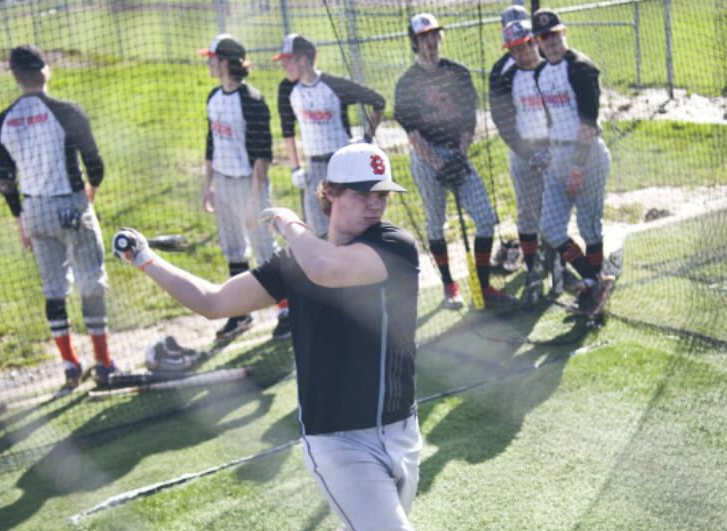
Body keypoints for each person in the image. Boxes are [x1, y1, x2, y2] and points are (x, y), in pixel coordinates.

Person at [109, 142, 537, 531]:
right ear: (328, 195)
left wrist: (287, 224)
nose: (373, 205)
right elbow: (211, 304)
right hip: (338, 445)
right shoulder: (293, 264)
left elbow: (331, 270)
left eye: (381, 196)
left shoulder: (391, 247)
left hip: (400, 430)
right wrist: (147, 260)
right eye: (361, 194)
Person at [0, 44, 117, 394]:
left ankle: (69, 365)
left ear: (15, 75)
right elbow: (95, 164)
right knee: (90, 281)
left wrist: (19, 218)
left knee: (53, 289)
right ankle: (104, 362)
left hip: (34, 211)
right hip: (70, 204)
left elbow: (4, 180)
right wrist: (90, 191)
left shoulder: (4, 120)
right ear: (45, 71)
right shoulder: (66, 111)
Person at [393, 11, 514, 310]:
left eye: (434, 35)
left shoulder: (458, 72)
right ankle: (450, 285)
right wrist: (439, 165)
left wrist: (459, 158)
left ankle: (483, 286)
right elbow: (413, 133)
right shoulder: (407, 83)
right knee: (436, 223)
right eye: (423, 38)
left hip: (456, 153)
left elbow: (467, 120)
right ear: (414, 43)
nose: (430, 42)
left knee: (485, 218)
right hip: (427, 158)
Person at [274, 32, 387, 340]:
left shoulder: (334, 85)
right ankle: (327, 303)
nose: (284, 67)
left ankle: (363, 297)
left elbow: (378, 101)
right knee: (315, 234)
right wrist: (295, 165)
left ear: (304, 59)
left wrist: (365, 139)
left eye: (288, 61)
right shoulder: (288, 90)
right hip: (313, 168)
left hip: (342, 168)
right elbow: (287, 129)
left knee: (349, 231)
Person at [531, 10, 614, 314]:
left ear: (563, 32)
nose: (550, 42)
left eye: (553, 34)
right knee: (551, 226)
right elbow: (555, 120)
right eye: (543, 38)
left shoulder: (581, 67)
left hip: (587, 155)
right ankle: (594, 281)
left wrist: (577, 166)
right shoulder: (541, 74)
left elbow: (588, 123)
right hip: (560, 157)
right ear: (537, 42)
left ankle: (593, 290)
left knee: (589, 227)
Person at [200, 33, 277, 341]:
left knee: (265, 250)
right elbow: (211, 144)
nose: (208, 62)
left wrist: (252, 203)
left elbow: (263, 156)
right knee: (233, 251)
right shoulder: (213, 98)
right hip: (224, 181)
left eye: (212, 58)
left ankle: (287, 310)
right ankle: (241, 314)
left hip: (250, 184)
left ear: (226, 62)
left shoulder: (252, 100)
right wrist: (208, 186)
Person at [488, 14, 551, 305]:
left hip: (555, 149)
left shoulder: (553, 64)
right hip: (523, 152)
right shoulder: (503, 74)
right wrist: (528, 152)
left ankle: (555, 269)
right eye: (513, 48)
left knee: (555, 213)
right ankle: (532, 272)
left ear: (534, 40)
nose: (520, 53)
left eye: (524, 45)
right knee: (528, 212)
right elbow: (502, 120)